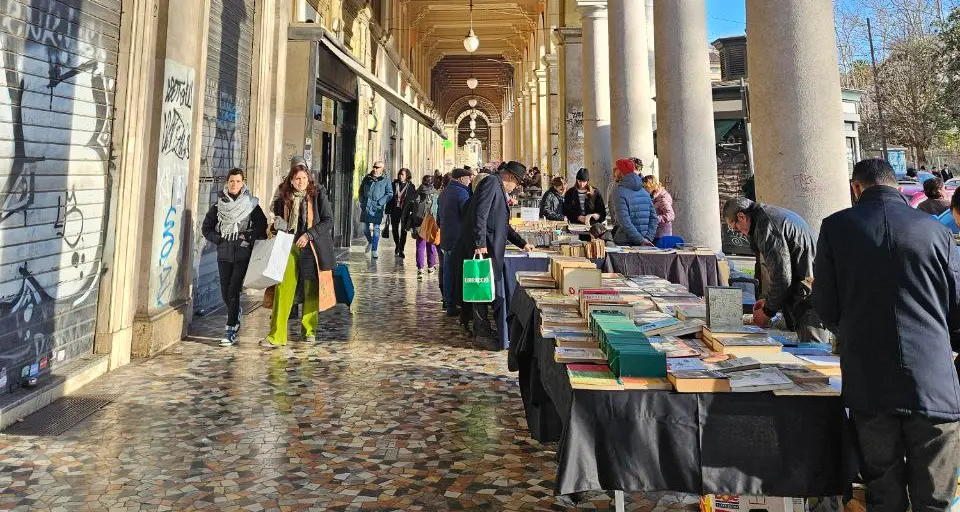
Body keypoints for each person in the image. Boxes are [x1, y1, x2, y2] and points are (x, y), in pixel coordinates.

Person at [813, 158, 960, 511]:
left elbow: (825, 304)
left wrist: (851, 332)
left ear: (856, 187)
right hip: (932, 379)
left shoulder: (835, 227)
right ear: (896, 185)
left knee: (883, 492)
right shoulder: (935, 229)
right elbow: (956, 306)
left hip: (869, 378)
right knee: (935, 499)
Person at [722, 197, 830, 343]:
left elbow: (782, 276)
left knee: (814, 354)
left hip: (809, 300)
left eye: (735, 228)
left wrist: (767, 311)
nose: (739, 233)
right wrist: (768, 301)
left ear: (741, 216)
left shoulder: (766, 225)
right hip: (809, 293)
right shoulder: (766, 217)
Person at [451, 161, 534, 350]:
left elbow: (502, 224)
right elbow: (480, 214)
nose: (517, 187)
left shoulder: (497, 186)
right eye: (518, 183)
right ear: (511, 177)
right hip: (484, 247)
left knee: (487, 289)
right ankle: (482, 332)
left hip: (491, 246)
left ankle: (485, 329)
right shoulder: (491, 183)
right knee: (481, 288)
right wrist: (479, 243)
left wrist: (522, 243)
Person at [262, 157, 336, 348]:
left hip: (312, 248)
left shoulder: (318, 193)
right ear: (291, 179)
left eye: (303, 177)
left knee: (311, 289)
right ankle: (276, 335)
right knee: (283, 289)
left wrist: (309, 235)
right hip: (287, 246)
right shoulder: (283, 194)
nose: (300, 181)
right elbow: (276, 218)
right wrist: (276, 225)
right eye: (296, 178)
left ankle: (309, 330)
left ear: (308, 177)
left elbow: (328, 220)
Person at [201, 168, 268, 346]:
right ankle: (235, 312)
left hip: (242, 253)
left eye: (238, 181)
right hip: (223, 254)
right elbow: (206, 228)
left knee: (233, 290)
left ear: (243, 183)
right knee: (225, 291)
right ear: (227, 182)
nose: (234, 185)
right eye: (232, 181)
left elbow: (262, 224)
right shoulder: (219, 205)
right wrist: (219, 239)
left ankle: (230, 329)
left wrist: (247, 236)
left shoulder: (251, 204)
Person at [438, 168, 473, 316]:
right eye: (468, 178)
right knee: (457, 273)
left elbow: (438, 219)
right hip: (458, 239)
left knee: (447, 270)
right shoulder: (462, 193)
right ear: (461, 179)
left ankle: (448, 302)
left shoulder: (444, 192)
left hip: (446, 237)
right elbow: (467, 216)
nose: (470, 181)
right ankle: (455, 304)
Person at [613, 161, 659, 246]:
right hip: (645, 241)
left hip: (626, 242)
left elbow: (625, 222)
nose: (615, 172)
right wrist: (648, 238)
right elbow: (654, 219)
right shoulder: (644, 192)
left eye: (617, 169)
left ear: (620, 171)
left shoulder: (620, 192)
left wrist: (641, 240)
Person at [404, 175, 440, 279]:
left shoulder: (416, 193)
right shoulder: (435, 194)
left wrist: (407, 223)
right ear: (432, 182)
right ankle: (431, 266)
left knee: (420, 246)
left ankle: (420, 269)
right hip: (431, 223)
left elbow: (409, 208)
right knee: (431, 245)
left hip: (419, 223)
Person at [359, 161, 393, 258]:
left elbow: (389, 194)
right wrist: (362, 200)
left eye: (377, 167)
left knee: (376, 228)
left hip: (377, 208)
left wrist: (380, 202)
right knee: (364, 228)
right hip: (366, 206)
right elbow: (361, 190)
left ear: (382, 169)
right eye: (374, 167)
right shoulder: (367, 178)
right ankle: (370, 242)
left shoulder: (386, 180)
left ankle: (374, 249)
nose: (375, 169)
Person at [387, 168, 416, 259]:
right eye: (399, 174)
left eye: (402, 174)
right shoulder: (393, 184)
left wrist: (412, 211)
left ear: (407, 176)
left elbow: (413, 199)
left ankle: (401, 249)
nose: (400, 176)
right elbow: (389, 198)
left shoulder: (411, 187)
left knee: (404, 230)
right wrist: (388, 210)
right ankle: (397, 245)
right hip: (395, 210)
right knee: (395, 229)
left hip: (405, 211)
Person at [642, 175, 675, 241]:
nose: (644, 189)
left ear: (651, 186)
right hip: (655, 233)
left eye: (646, 187)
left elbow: (671, 215)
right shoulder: (653, 197)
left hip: (662, 235)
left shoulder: (662, 199)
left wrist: (655, 219)